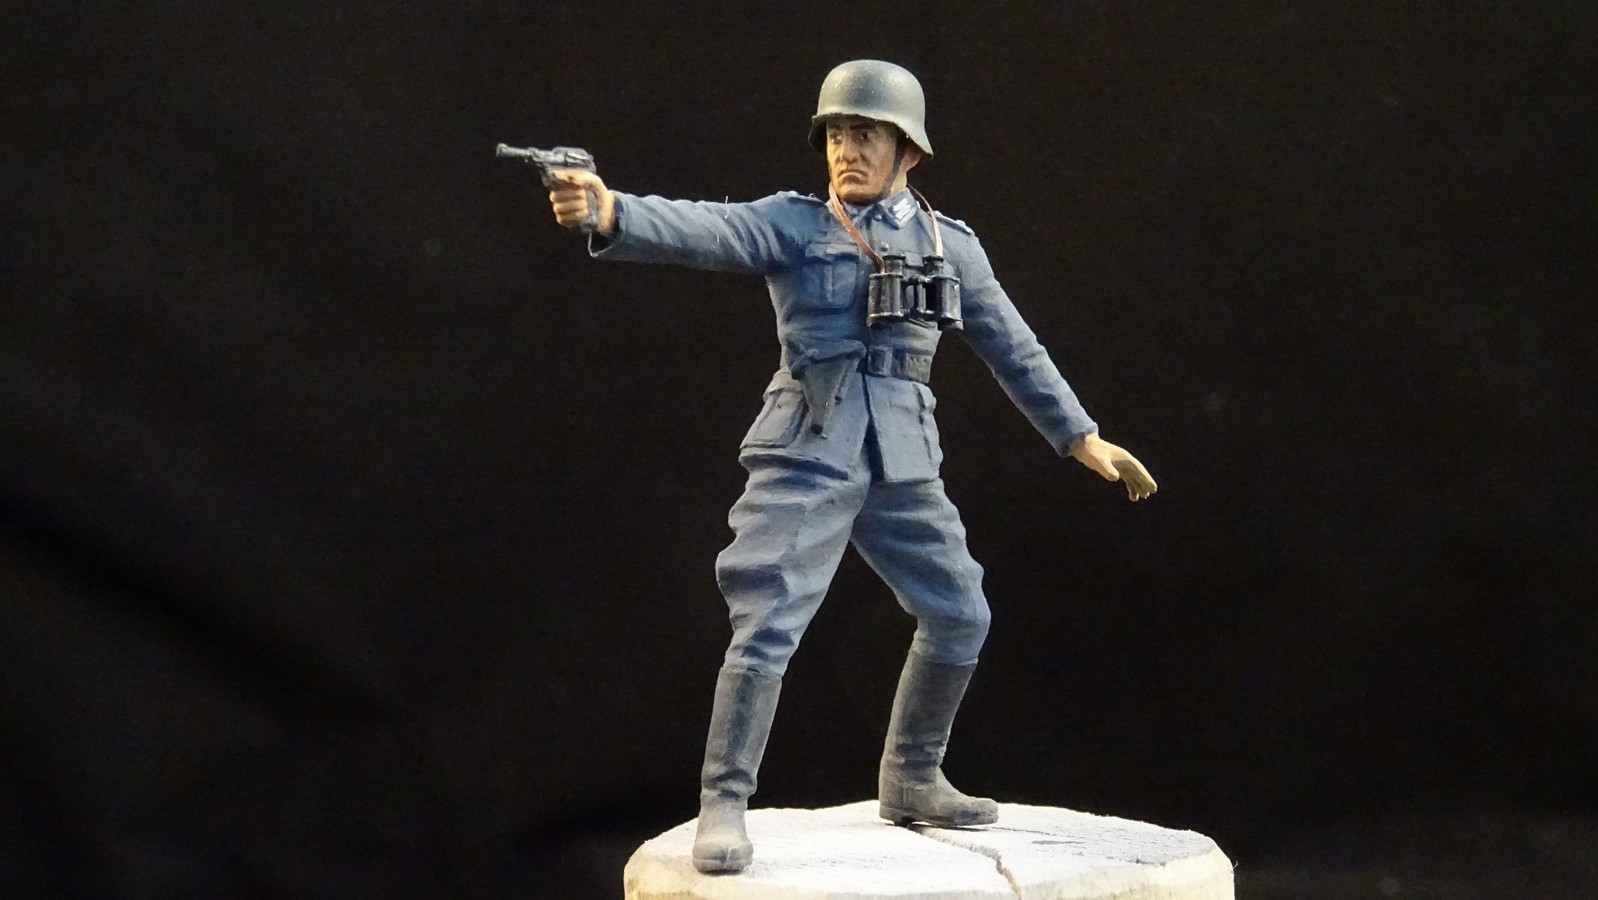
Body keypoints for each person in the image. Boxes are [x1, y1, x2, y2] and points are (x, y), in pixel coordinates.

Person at [545, 60, 1157, 874]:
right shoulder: (797, 225)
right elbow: (708, 229)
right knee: (768, 623)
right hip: (809, 444)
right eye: (836, 134)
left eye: (865, 134)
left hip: (903, 457)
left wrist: (1082, 436)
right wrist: (612, 209)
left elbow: (1014, 347)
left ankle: (911, 776)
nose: (846, 149)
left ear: (908, 149)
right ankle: (723, 803)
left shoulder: (950, 245)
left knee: (960, 612)